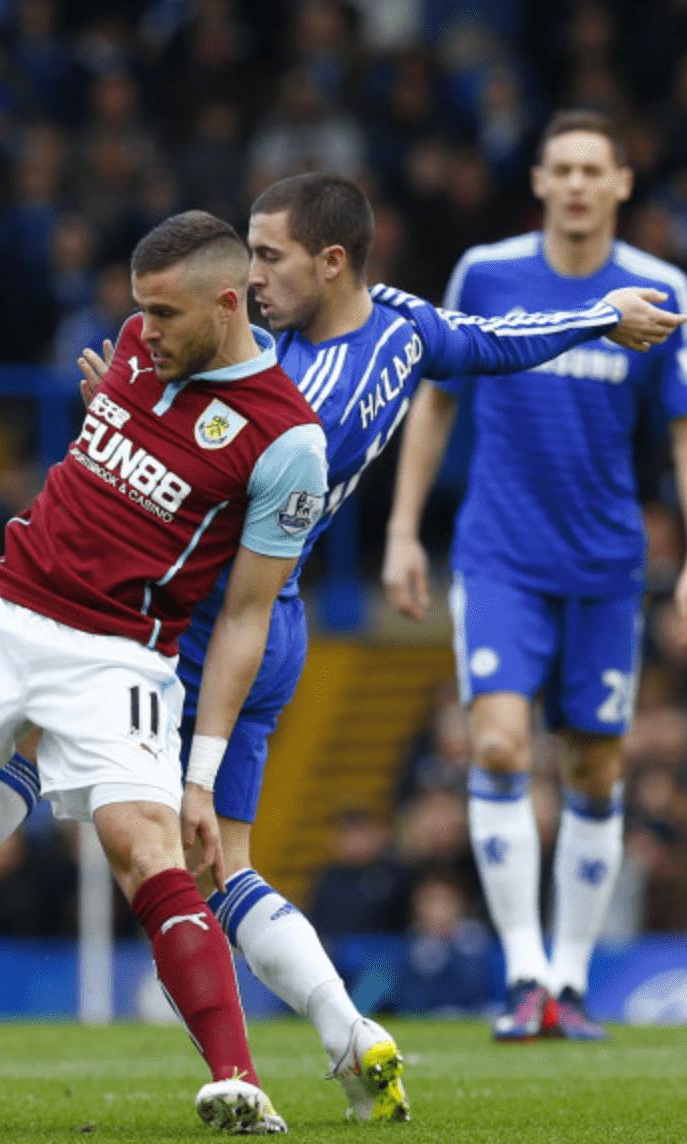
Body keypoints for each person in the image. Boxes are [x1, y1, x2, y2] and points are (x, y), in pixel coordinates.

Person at [0, 172, 682, 1129]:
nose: (253, 279)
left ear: (331, 263)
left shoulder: (298, 413)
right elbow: (492, 344)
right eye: (247, 255)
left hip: (205, 615)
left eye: (269, 257)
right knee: (224, 869)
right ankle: (349, 1032)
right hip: (240, 612)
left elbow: (228, 480)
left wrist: (145, 427)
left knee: (106, 813)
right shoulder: (405, 322)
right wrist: (594, 317)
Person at [0, 210, 330, 1136]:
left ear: (228, 304)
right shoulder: (130, 352)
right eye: (138, 311)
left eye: (163, 313)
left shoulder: (288, 441)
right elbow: (123, 458)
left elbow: (245, 615)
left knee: (144, 847)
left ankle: (240, 1081)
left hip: (118, 653)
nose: (141, 331)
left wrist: (203, 770)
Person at [383, 109, 687, 1043]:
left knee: (596, 768)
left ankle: (571, 980)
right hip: (501, 554)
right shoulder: (488, 273)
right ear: (542, 182)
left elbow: (681, 431)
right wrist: (401, 530)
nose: (579, 184)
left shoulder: (662, 289)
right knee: (504, 745)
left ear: (623, 185)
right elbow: (434, 402)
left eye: (596, 169)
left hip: (604, 565)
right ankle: (524, 977)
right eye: (563, 168)